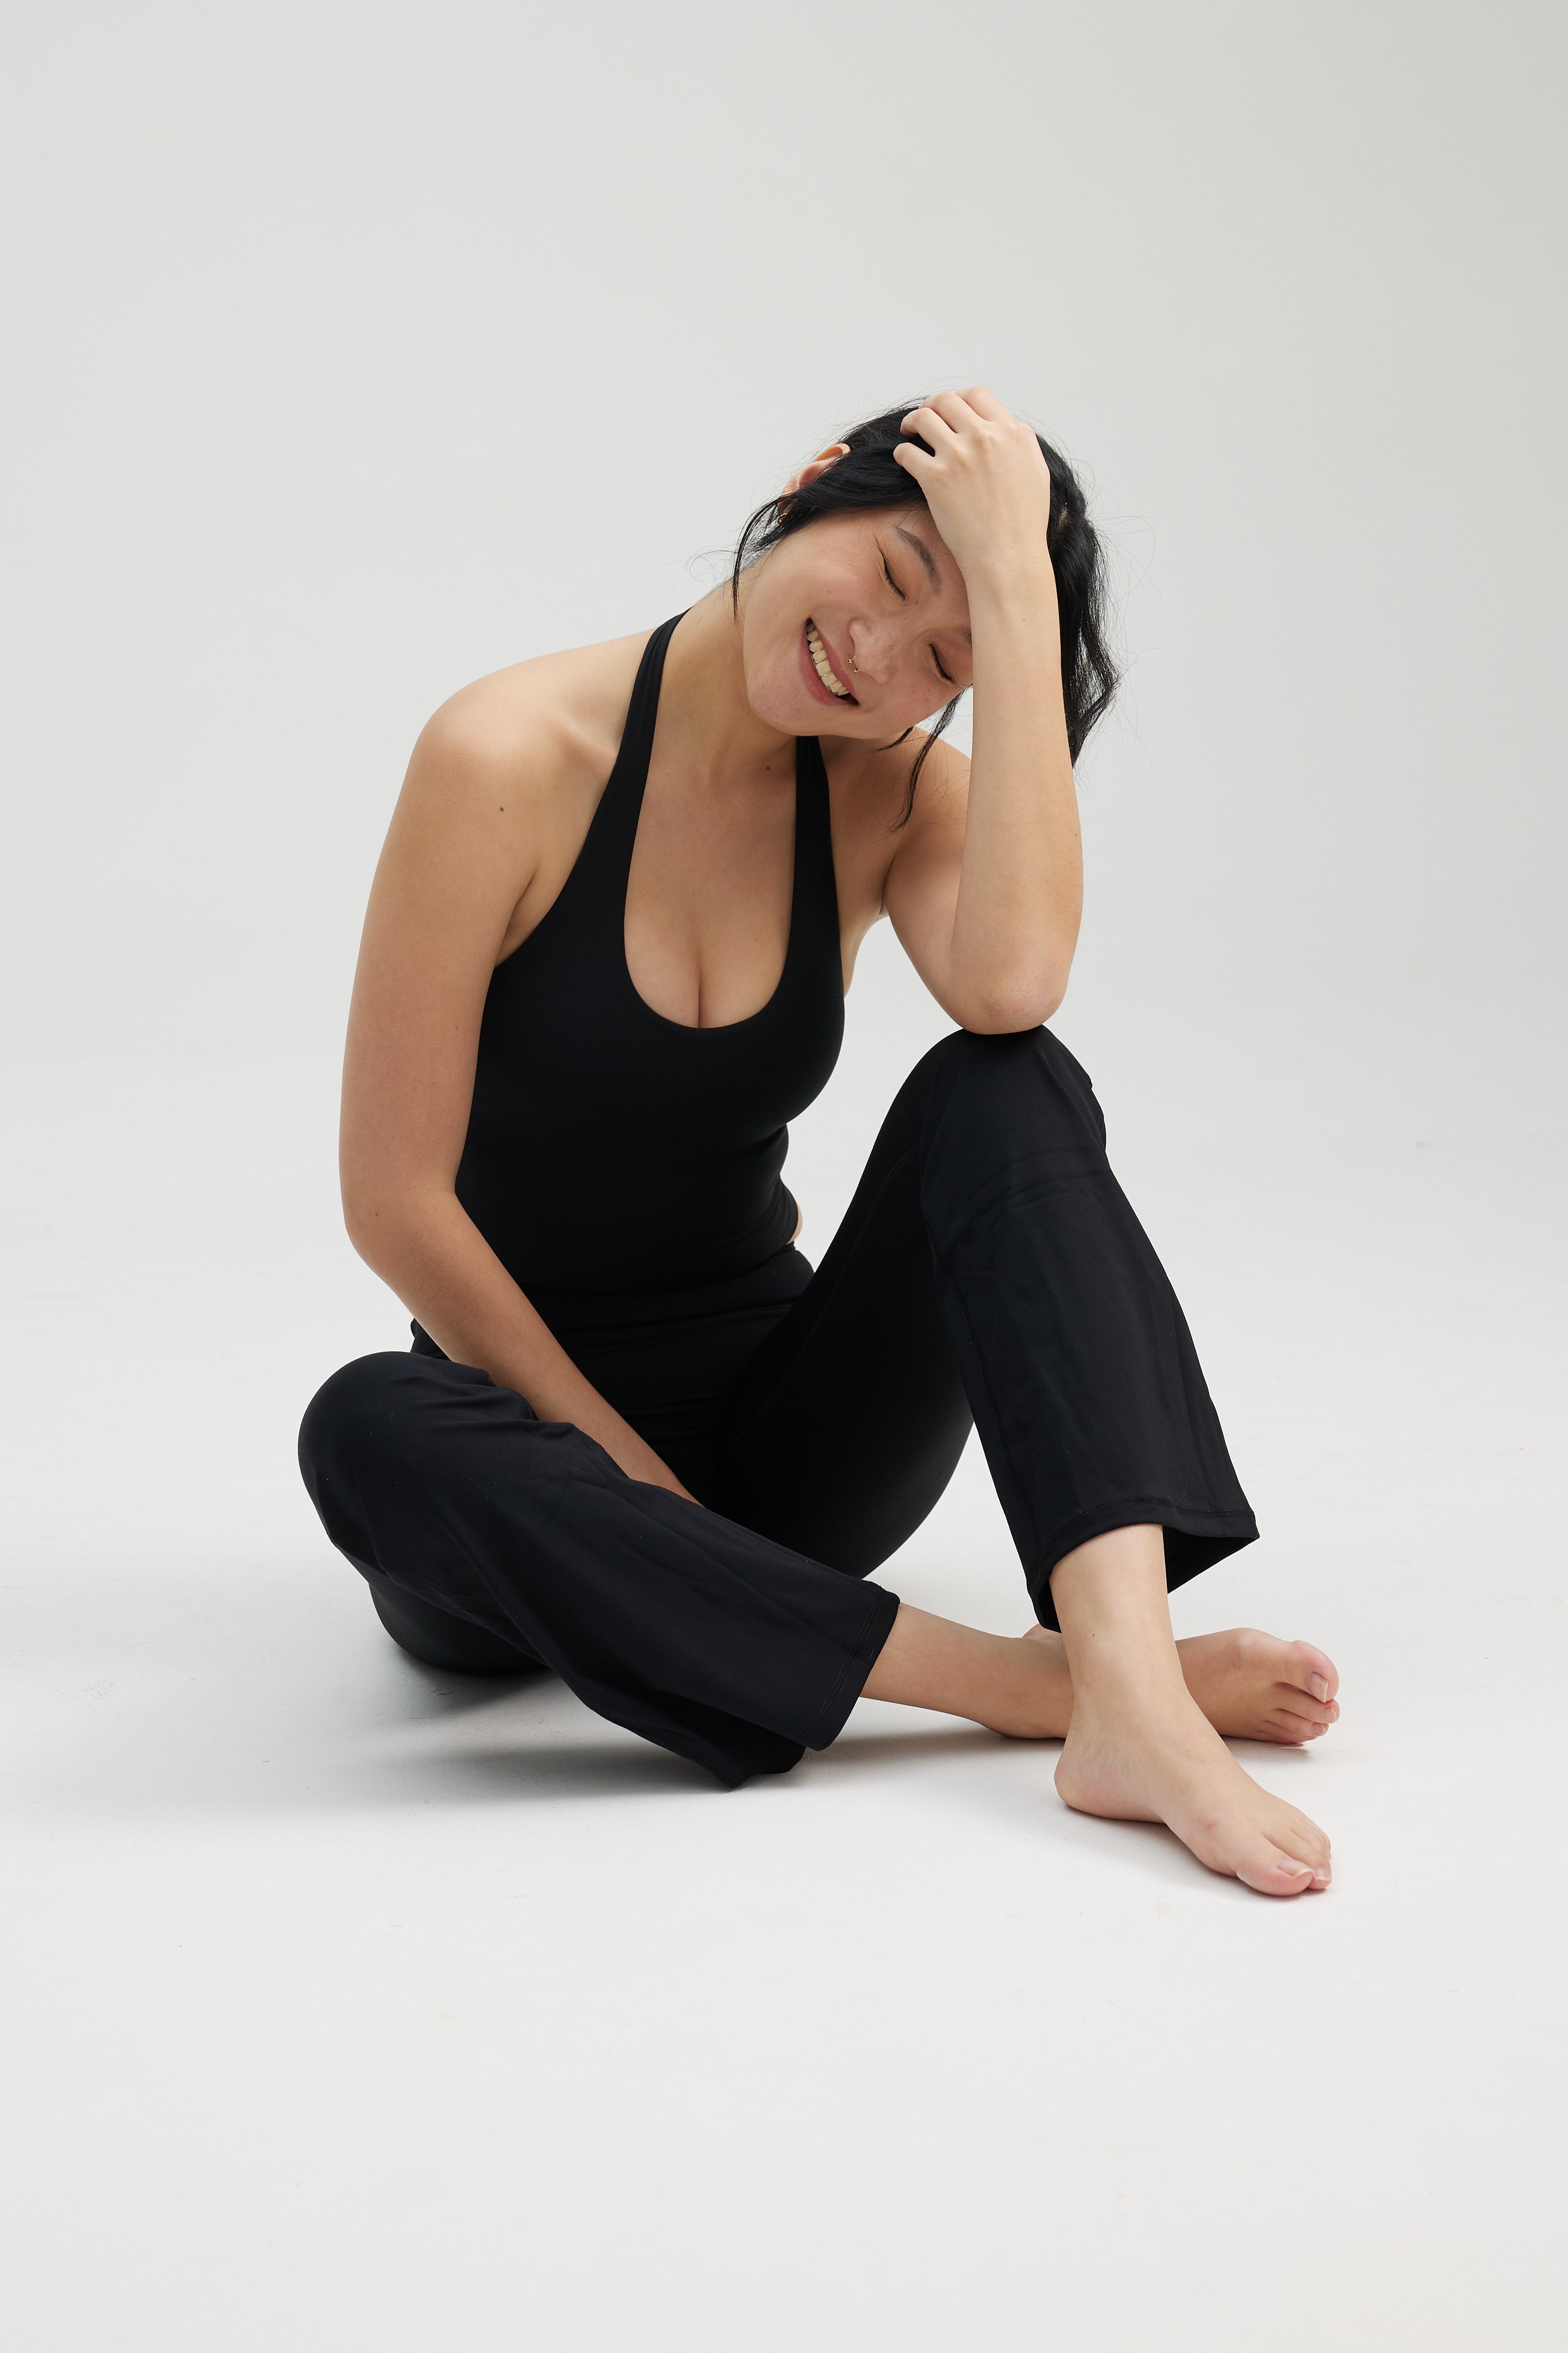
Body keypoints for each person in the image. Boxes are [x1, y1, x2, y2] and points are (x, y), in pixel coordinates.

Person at [299, 388, 1337, 1898]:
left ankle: (1125, 1673)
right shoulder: (505, 752)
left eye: (946, 660)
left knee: (1009, 1084)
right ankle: (1045, 1689)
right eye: (896, 573)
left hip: (799, 1454)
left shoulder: (892, 794)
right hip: (535, 1486)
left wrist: (1020, 607)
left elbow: (1012, 987)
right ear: (807, 490)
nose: (879, 655)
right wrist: (626, 1489)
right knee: (363, 1423)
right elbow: (393, 1202)